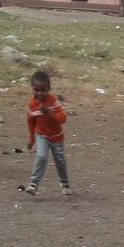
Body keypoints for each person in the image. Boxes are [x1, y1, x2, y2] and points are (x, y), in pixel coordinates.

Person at [23, 69, 71, 197]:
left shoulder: (53, 101)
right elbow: (31, 121)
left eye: (43, 90)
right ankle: (34, 184)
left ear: (49, 89)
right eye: (36, 90)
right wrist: (31, 138)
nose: (39, 93)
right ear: (32, 88)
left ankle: (64, 182)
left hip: (56, 137)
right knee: (41, 157)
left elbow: (63, 119)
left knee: (60, 160)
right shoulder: (32, 104)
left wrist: (50, 113)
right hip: (41, 136)